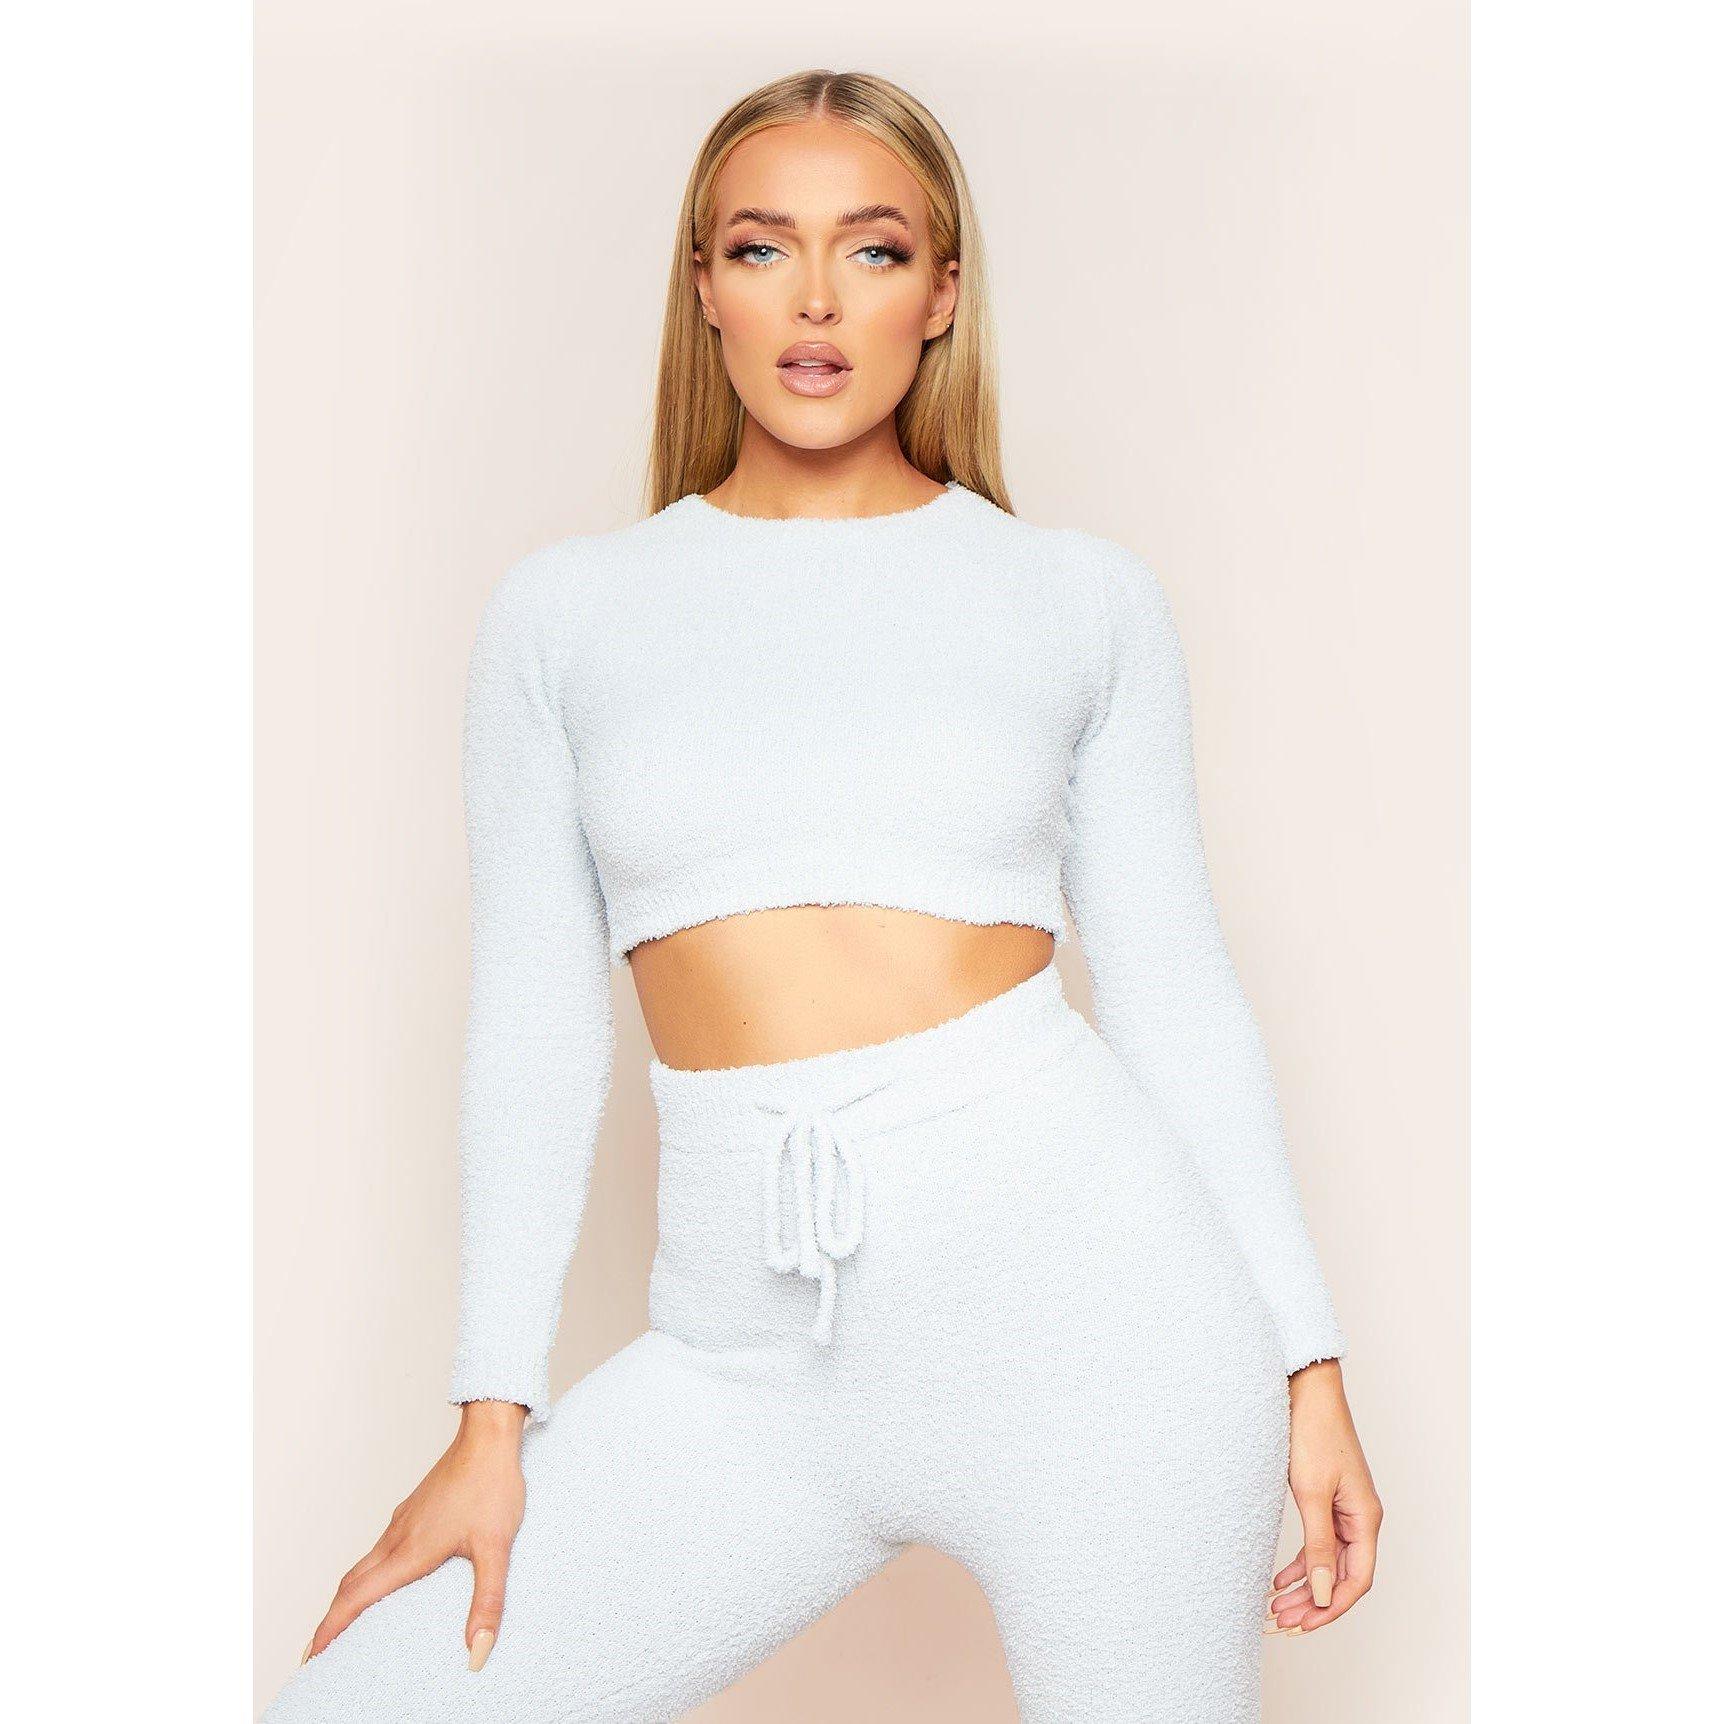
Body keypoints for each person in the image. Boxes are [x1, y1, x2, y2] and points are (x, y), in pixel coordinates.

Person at [263, 66, 1382, 1724]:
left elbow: (1175, 990)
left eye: (871, 249)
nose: (812, 298)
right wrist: (491, 1414)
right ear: (702, 286)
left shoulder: (1076, 599)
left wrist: (1307, 1361)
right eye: (759, 246)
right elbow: (532, 1020)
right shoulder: (568, 617)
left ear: (942, 294)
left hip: (1103, 1336)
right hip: (748, 1355)